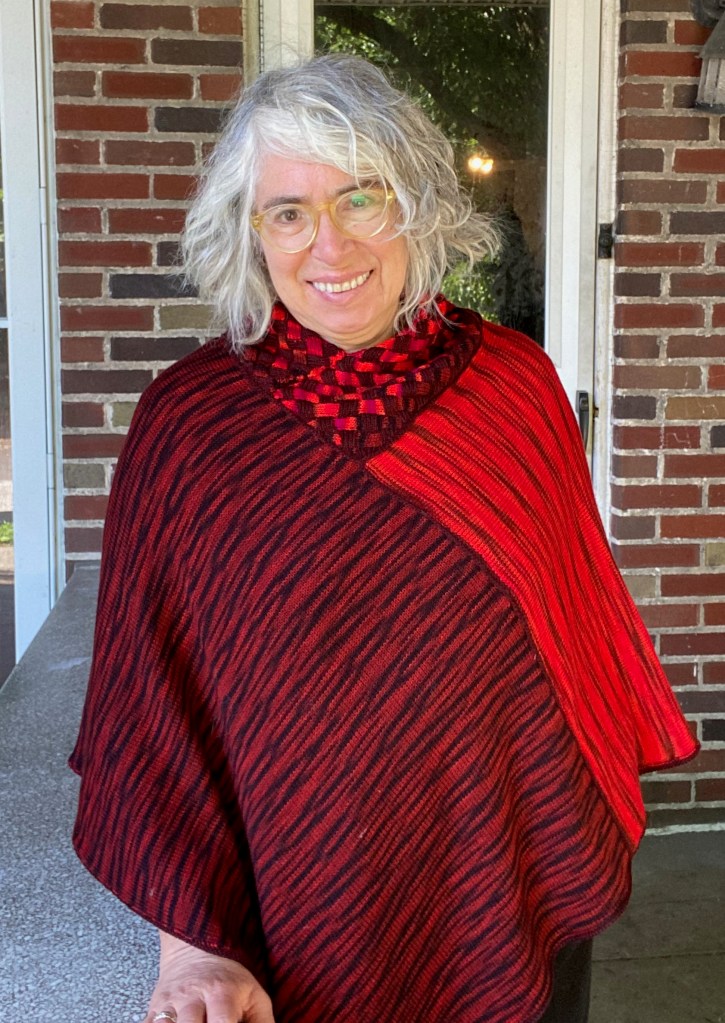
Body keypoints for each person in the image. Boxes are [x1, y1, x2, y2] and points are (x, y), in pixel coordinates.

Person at [69, 54, 697, 1023]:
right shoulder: (189, 428)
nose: (328, 244)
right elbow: (155, 710)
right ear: (250, 233)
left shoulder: (515, 389)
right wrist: (191, 949)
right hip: (295, 917)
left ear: (416, 205)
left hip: (504, 879)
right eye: (287, 212)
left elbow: (570, 644)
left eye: (360, 197)